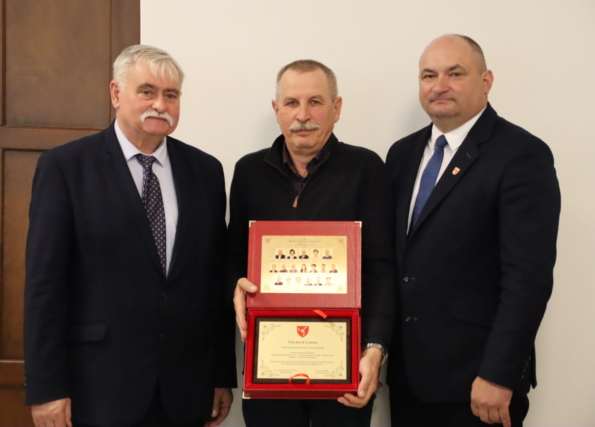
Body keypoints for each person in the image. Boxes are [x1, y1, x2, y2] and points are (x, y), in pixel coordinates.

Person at [23, 45, 235, 427]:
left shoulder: (205, 171)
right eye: (147, 91)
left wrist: (222, 375)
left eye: (171, 95)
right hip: (98, 388)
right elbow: (44, 288)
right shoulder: (66, 167)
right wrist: (46, 387)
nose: (160, 105)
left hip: (186, 389)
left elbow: (212, 282)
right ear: (116, 93)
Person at [385, 35, 561, 427]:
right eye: (428, 75)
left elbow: (528, 279)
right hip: (408, 379)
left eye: (455, 73)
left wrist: (499, 374)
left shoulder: (521, 155)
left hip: (478, 383)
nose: (439, 85)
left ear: (486, 81)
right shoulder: (401, 155)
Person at [228, 59, 396, 427]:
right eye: (291, 102)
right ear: (277, 110)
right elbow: (233, 257)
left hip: (344, 367)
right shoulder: (248, 172)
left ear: (337, 108)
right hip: (270, 364)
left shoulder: (366, 169)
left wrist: (374, 349)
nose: (302, 115)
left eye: (315, 102)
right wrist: (234, 285)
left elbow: (381, 269)